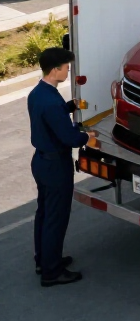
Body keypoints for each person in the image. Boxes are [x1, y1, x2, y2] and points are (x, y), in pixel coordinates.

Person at [27, 46, 90, 286]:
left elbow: (49, 118)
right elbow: (70, 138)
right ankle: (52, 272)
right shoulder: (51, 101)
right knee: (56, 217)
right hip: (56, 166)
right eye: (66, 67)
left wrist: (69, 107)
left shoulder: (38, 93)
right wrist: (88, 137)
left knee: (44, 213)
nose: (68, 71)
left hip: (41, 161)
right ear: (55, 70)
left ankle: (43, 260)